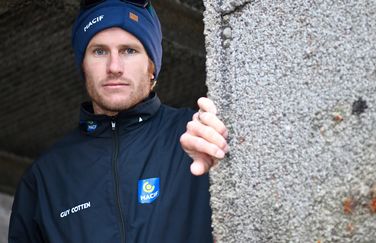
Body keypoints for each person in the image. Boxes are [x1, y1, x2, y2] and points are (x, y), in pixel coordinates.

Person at [8, 0, 228, 242]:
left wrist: (222, 165)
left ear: (152, 66)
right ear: (83, 66)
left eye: (129, 50)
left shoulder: (198, 136)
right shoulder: (45, 178)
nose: (114, 67)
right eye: (99, 51)